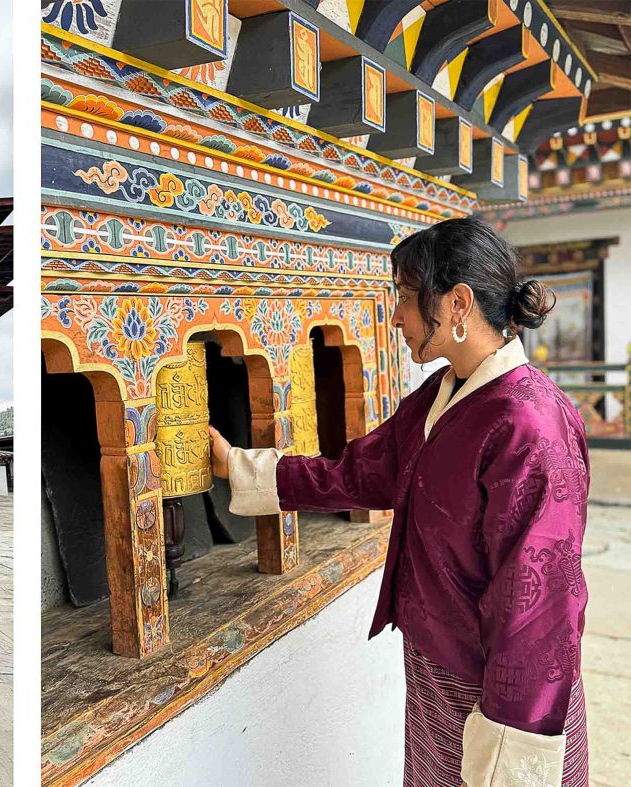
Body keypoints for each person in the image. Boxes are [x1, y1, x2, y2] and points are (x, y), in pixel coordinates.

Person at [213, 217, 587, 787]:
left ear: (457, 303)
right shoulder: (444, 396)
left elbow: (539, 606)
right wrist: (240, 465)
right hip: (437, 669)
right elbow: (357, 473)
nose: (396, 317)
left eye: (406, 299)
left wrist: (513, 733)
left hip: (500, 691)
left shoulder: (528, 423)